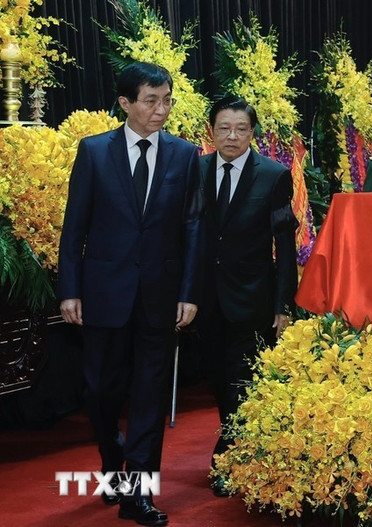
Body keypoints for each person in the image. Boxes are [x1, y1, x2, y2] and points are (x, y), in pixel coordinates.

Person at [58, 61, 202, 526]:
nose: (161, 111)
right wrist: (69, 289)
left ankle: (137, 491)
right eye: (151, 101)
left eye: (167, 101)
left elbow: (192, 229)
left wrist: (188, 292)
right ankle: (111, 453)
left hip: (161, 296)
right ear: (125, 103)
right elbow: (74, 227)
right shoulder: (94, 151)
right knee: (99, 389)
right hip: (103, 292)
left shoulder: (184, 155)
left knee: (149, 393)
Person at [198, 96, 298, 497]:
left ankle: (227, 456)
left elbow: (285, 248)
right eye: (224, 128)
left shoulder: (273, 175)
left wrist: (283, 305)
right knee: (219, 379)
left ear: (252, 133)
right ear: (212, 132)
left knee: (241, 379)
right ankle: (239, 445)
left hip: (253, 296)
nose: (232, 136)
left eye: (241, 129)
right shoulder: (197, 169)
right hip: (205, 297)